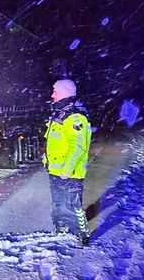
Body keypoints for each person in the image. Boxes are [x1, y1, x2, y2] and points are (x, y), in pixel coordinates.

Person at [42, 79, 92, 246]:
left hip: (69, 173)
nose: (52, 95)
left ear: (64, 93)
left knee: (73, 204)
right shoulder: (59, 115)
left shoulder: (75, 117)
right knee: (58, 203)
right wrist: (47, 161)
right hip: (56, 171)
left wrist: (67, 169)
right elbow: (54, 143)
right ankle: (61, 229)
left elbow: (78, 147)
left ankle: (82, 235)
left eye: (55, 91)